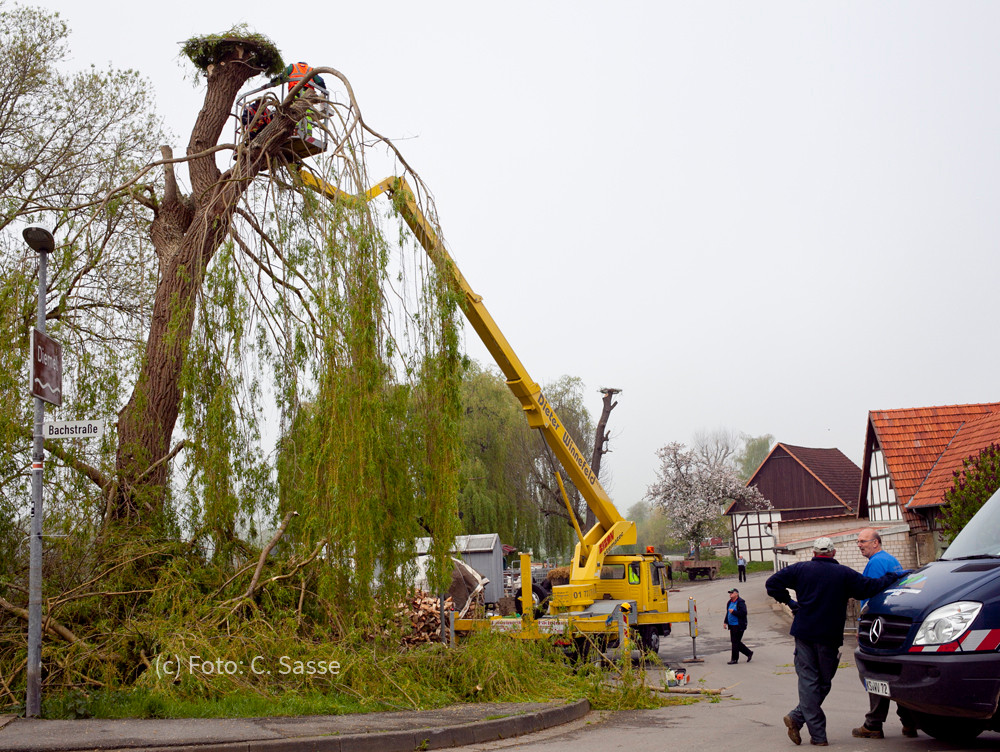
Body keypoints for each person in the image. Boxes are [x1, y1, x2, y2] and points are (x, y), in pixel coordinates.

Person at [765, 537, 906, 747]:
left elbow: (772, 584)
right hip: (829, 636)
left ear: (814, 553)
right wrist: (894, 577)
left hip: (804, 633)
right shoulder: (843, 574)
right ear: (833, 553)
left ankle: (800, 719)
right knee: (823, 682)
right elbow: (870, 587)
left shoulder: (800, 569)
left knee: (809, 682)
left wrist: (791, 603)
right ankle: (815, 733)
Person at [852, 529, 917, 740]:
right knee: (895, 674)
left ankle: (873, 724)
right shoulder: (891, 560)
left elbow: (868, 593)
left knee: (877, 674)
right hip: (894, 623)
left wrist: (863, 624)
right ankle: (909, 722)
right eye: (858, 541)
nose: (859, 545)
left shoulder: (876, 563)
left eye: (863, 541)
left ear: (876, 543)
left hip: (879, 627)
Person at [723, 588, 753, 664]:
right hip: (732, 625)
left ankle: (734, 659)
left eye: (732, 593)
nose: (730, 595)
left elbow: (743, 613)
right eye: (730, 593)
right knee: (735, 642)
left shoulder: (740, 602)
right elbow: (728, 613)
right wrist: (725, 622)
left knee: (735, 642)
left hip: (739, 625)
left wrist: (734, 612)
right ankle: (749, 653)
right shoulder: (729, 602)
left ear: (737, 594)